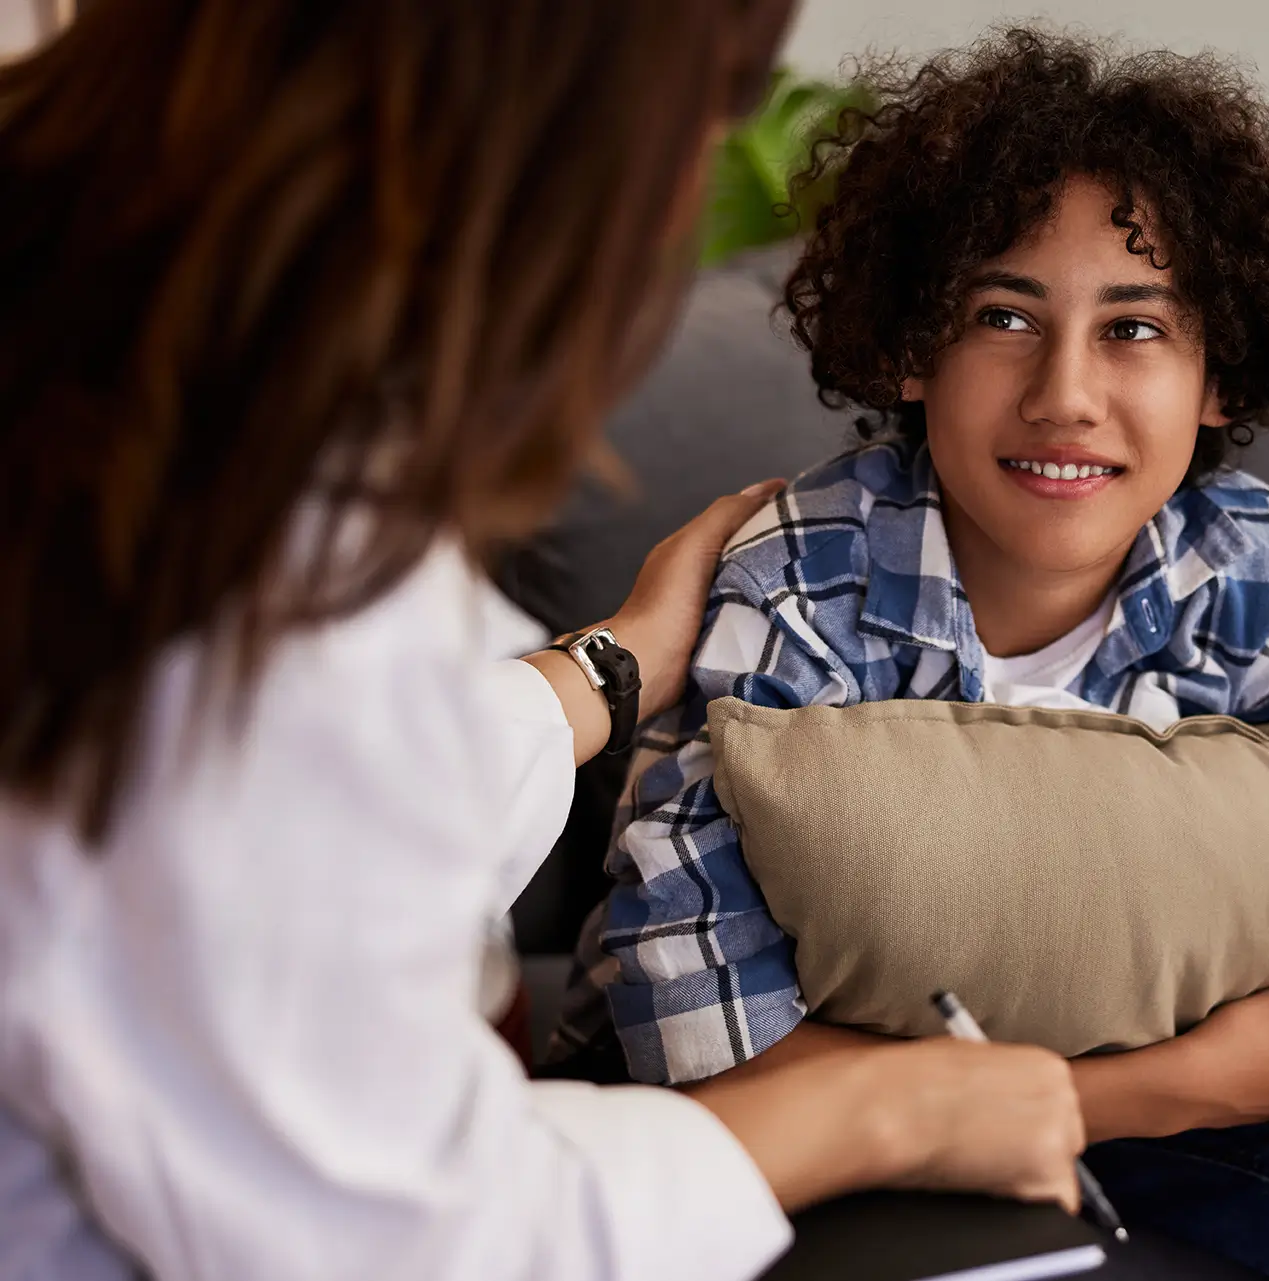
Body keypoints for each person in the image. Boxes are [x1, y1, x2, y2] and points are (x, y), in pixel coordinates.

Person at [0, 5, 1093, 1280]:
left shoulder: (112, 381)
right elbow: (407, 1238)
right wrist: (872, 1110)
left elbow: (282, 829)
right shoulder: (262, 577)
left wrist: (618, 662)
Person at [555, 31, 1269, 1281]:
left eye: (1135, 329)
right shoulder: (795, 584)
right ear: (914, 350)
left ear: (1218, 374)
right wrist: (1156, 1088)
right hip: (797, 1111)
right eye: (1004, 316)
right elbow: (699, 1039)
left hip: (1143, 1084)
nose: (1065, 392)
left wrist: (1172, 1071)